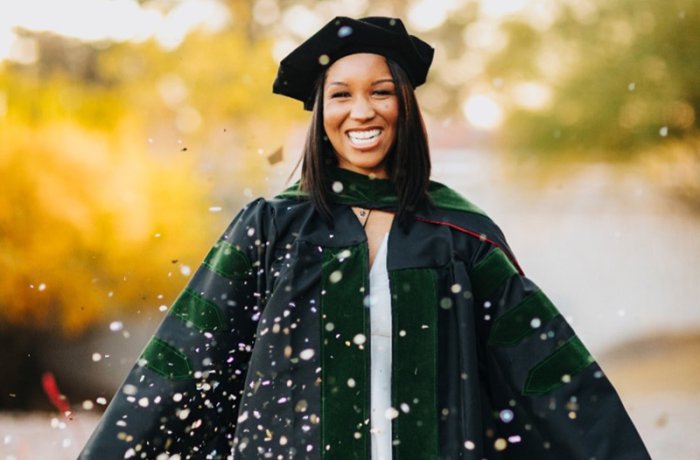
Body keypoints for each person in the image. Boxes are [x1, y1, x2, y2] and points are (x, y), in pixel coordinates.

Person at [79, 16, 651, 460]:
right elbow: (183, 359)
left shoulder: (461, 236)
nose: (362, 111)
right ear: (320, 113)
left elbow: (550, 374)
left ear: (405, 103)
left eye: (381, 91)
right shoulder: (271, 228)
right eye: (341, 94)